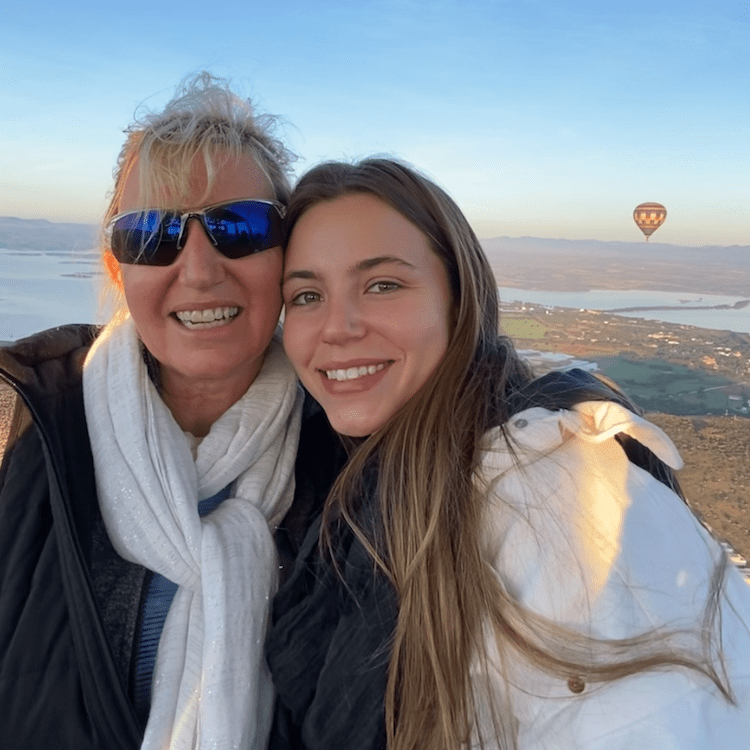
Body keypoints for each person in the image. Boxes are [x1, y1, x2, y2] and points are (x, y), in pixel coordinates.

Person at [267, 157, 750, 749]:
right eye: (308, 295)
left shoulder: (555, 484)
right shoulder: (335, 482)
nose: (337, 327)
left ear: (458, 297)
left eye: (383, 284)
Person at [0, 73, 341, 750]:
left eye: (240, 227)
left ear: (287, 252)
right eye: (152, 235)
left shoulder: (354, 450)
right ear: (118, 267)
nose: (200, 268)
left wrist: (582, 420)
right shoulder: (27, 418)